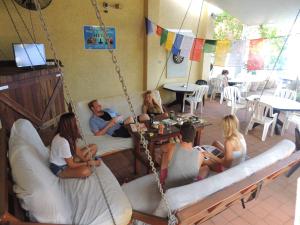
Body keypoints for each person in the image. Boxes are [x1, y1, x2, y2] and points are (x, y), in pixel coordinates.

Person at [49, 112, 101, 178]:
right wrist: (88, 163)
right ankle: (88, 165)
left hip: (70, 159)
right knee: (86, 171)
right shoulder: (63, 142)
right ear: (71, 124)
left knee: (94, 146)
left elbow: (76, 149)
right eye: (76, 120)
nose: (78, 122)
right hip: (61, 168)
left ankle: (89, 163)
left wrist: (86, 160)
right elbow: (71, 165)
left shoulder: (67, 133)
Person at [160, 122, 208, 189]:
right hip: (186, 191)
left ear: (180, 136)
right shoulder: (200, 155)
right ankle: (196, 183)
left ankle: (162, 179)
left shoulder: (172, 146)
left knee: (165, 154)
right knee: (206, 168)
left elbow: (162, 148)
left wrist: (174, 145)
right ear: (194, 136)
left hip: (169, 190)